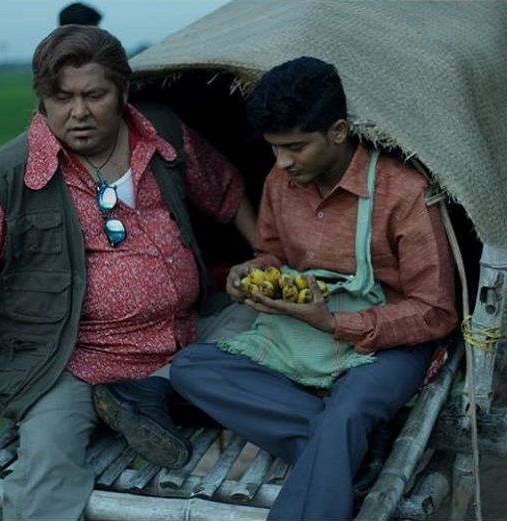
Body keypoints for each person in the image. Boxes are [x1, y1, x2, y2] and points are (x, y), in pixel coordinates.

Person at [0, 25, 256, 520]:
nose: (78, 112)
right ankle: (129, 401)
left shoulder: (159, 133)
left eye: (94, 95)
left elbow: (225, 189)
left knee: (263, 316)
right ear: (43, 99)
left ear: (122, 93)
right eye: (62, 98)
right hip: (74, 365)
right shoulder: (6, 177)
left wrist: (265, 252)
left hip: (186, 337)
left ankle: (146, 395)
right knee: (45, 476)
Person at [166, 56, 458, 520]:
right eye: (274, 148)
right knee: (191, 368)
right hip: (301, 331)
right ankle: (351, 445)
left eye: (295, 147)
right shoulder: (280, 183)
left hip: (388, 342)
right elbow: (273, 254)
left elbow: (436, 311)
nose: (282, 162)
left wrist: (336, 322)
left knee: (349, 409)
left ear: (338, 131)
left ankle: (342, 439)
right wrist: (251, 272)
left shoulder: (404, 193)